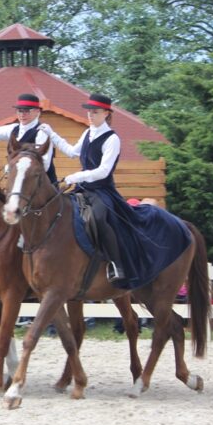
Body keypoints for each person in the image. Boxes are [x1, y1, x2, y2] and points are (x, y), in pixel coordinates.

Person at [40, 93, 192, 288]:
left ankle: (116, 264)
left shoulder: (112, 139)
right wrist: (51, 133)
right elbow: (71, 152)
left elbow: (103, 171)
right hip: (82, 189)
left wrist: (78, 176)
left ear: (106, 113)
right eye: (89, 112)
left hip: (102, 191)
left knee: (100, 217)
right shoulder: (88, 133)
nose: (90, 115)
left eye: (95, 112)